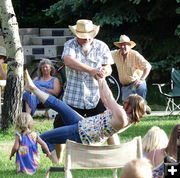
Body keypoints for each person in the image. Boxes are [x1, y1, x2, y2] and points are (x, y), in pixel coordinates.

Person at [24, 69, 150, 163]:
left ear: (132, 108)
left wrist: (103, 79)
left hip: (82, 133)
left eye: (127, 103)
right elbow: (105, 99)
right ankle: (33, 88)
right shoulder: (124, 113)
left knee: (43, 137)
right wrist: (99, 80)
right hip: (84, 124)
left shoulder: (123, 117)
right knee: (59, 104)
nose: (124, 103)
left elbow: (110, 98)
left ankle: (56, 163)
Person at [55, 19, 119, 162]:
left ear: (92, 34)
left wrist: (104, 71)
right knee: (58, 128)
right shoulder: (69, 45)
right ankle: (58, 160)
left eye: (88, 36)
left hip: (96, 97)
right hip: (73, 97)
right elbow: (68, 61)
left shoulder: (101, 46)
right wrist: (91, 70)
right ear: (76, 34)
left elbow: (109, 67)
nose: (86, 39)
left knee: (112, 125)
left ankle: (116, 158)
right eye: (82, 36)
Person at [111, 35, 152, 101]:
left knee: (140, 92)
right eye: (121, 45)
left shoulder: (135, 54)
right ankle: (144, 106)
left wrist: (141, 79)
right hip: (125, 86)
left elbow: (148, 66)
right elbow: (105, 55)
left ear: (129, 46)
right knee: (128, 107)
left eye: (125, 45)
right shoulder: (115, 54)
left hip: (135, 83)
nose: (123, 47)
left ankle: (142, 106)